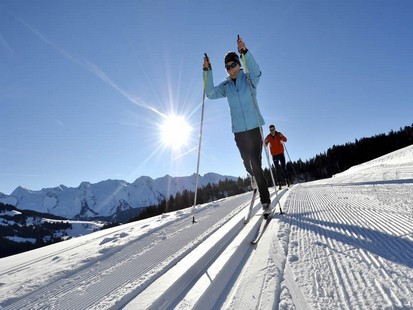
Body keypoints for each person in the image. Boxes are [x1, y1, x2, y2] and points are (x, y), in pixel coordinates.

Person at [203, 37, 271, 213]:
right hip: (239, 131)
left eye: (233, 64)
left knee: (256, 163)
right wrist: (207, 70)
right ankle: (252, 177)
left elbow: (257, 73)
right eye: (227, 67)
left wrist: (245, 52)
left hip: (255, 127)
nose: (231, 69)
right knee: (248, 164)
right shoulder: (226, 86)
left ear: (239, 64)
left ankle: (265, 202)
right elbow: (210, 93)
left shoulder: (249, 79)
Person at [265, 124, 290, 189]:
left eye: (273, 129)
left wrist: (282, 136)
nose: (272, 131)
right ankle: (279, 183)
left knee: (283, 168)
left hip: (281, 153)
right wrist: (265, 142)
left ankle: (287, 181)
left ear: (275, 129)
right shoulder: (268, 137)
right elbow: (265, 145)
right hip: (274, 155)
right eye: (271, 130)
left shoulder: (279, 134)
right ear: (269, 130)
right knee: (277, 169)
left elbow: (285, 140)